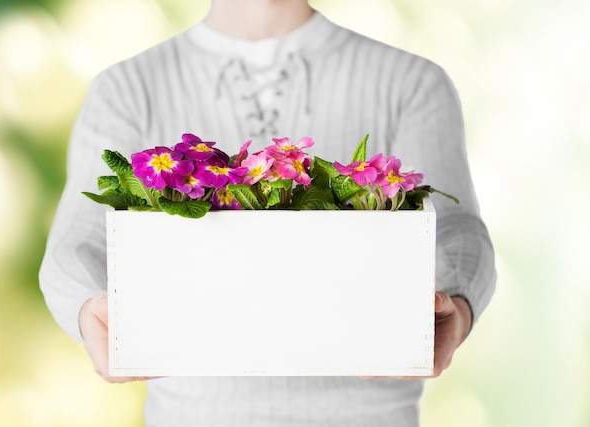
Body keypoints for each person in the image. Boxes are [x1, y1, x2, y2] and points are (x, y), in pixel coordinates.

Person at [39, 0, 496, 425]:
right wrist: (89, 310)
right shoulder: (126, 88)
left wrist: (454, 305)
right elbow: (76, 243)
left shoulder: (411, 82)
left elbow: (457, 231)